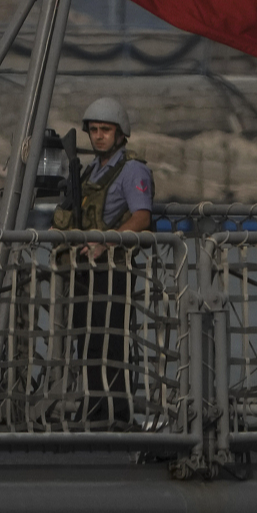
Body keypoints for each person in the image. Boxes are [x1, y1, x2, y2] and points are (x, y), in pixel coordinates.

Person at [63, 97, 154, 425]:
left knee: (110, 341)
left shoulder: (132, 170)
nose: (99, 136)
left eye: (106, 130)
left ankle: (115, 412)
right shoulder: (91, 171)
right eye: (94, 130)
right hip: (85, 266)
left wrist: (106, 241)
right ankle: (93, 407)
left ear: (120, 134)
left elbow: (142, 217)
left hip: (114, 267)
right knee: (87, 338)